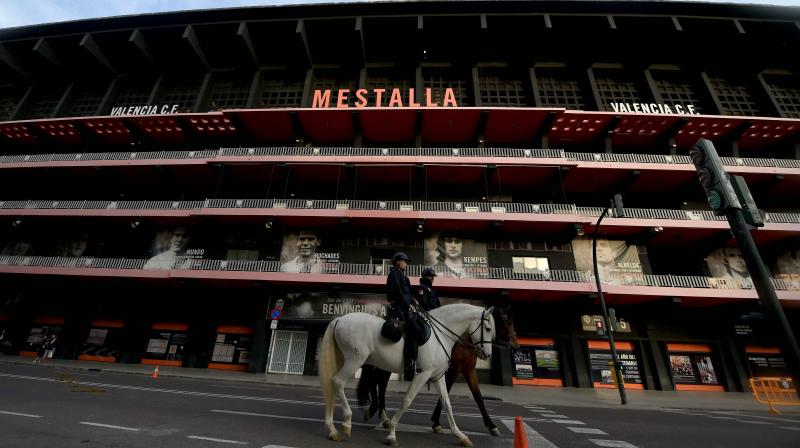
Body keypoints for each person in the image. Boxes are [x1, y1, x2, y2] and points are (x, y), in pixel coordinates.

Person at [386, 251, 420, 380]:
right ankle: (409, 363)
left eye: (406, 262)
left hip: (405, 308)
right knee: (413, 330)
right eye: (404, 261)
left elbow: (408, 294)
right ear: (397, 262)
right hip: (399, 309)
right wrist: (408, 305)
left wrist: (414, 301)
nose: (406, 264)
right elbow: (398, 292)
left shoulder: (404, 277)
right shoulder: (394, 274)